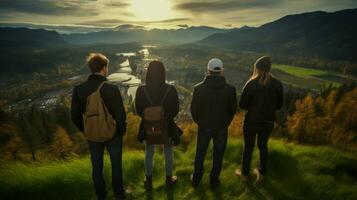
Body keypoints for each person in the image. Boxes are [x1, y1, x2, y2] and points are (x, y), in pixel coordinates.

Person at [71, 53, 127, 200]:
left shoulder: (79, 89)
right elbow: (120, 115)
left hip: (93, 135)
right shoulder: (111, 88)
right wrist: (120, 131)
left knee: (97, 167)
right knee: (116, 165)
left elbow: (75, 116)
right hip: (112, 134)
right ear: (104, 68)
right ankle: (119, 194)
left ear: (91, 69)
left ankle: (101, 196)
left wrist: (87, 129)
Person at [235, 56, 283, 185]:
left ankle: (244, 175)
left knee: (248, 148)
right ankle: (261, 174)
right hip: (268, 122)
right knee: (263, 146)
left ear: (257, 68)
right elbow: (279, 105)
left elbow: (243, 105)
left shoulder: (251, 83)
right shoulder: (277, 84)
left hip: (251, 122)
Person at [190, 58, 237, 191]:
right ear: (221, 71)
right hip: (222, 127)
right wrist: (226, 122)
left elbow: (194, 110)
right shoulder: (230, 90)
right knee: (218, 155)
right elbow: (233, 110)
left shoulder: (198, 88)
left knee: (200, 153)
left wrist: (201, 122)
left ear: (208, 70)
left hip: (204, 127)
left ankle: (196, 180)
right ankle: (214, 182)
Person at [135, 60, 181, 190]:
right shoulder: (170, 89)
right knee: (168, 152)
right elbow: (175, 109)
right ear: (163, 73)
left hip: (148, 127)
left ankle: (148, 180)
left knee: (149, 152)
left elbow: (139, 111)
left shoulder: (141, 90)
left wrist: (151, 117)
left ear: (148, 73)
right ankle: (168, 179)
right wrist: (164, 117)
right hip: (167, 127)